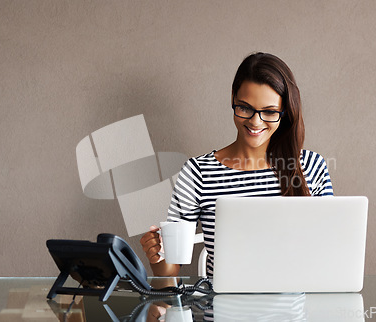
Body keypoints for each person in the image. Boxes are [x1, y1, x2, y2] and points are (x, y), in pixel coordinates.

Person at [140, 52, 334, 277]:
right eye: (245, 108)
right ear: (232, 98)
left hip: (297, 309)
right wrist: (157, 256)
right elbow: (169, 270)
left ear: (285, 111)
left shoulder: (312, 167)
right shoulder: (198, 173)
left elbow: (328, 255)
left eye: (269, 112)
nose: (255, 121)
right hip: (222, 309)